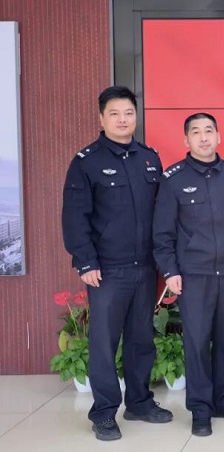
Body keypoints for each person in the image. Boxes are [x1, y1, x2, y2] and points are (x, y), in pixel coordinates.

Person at [62, 86, 173, 441]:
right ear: (101, 118)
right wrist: (85, 261)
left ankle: (139, 403)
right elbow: (75, 216)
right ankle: (104, 413)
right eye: (114, 113)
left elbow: (162, 214)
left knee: (142, 340)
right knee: (104, 343)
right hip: (107, 270)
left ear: (136, 116)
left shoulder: (149, 158)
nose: (122, 119)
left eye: (128, 113)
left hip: (145, 267)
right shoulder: (87, 162)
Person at [152, 113, 224, 437]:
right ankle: (200, 409)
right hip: (194, 275)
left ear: (219, 136)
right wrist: (170, 271)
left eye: (209, 131)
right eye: (196, 132)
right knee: (196, 343)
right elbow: (162, 232)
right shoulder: (173, 179)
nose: (204, 137)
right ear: (187, 140)